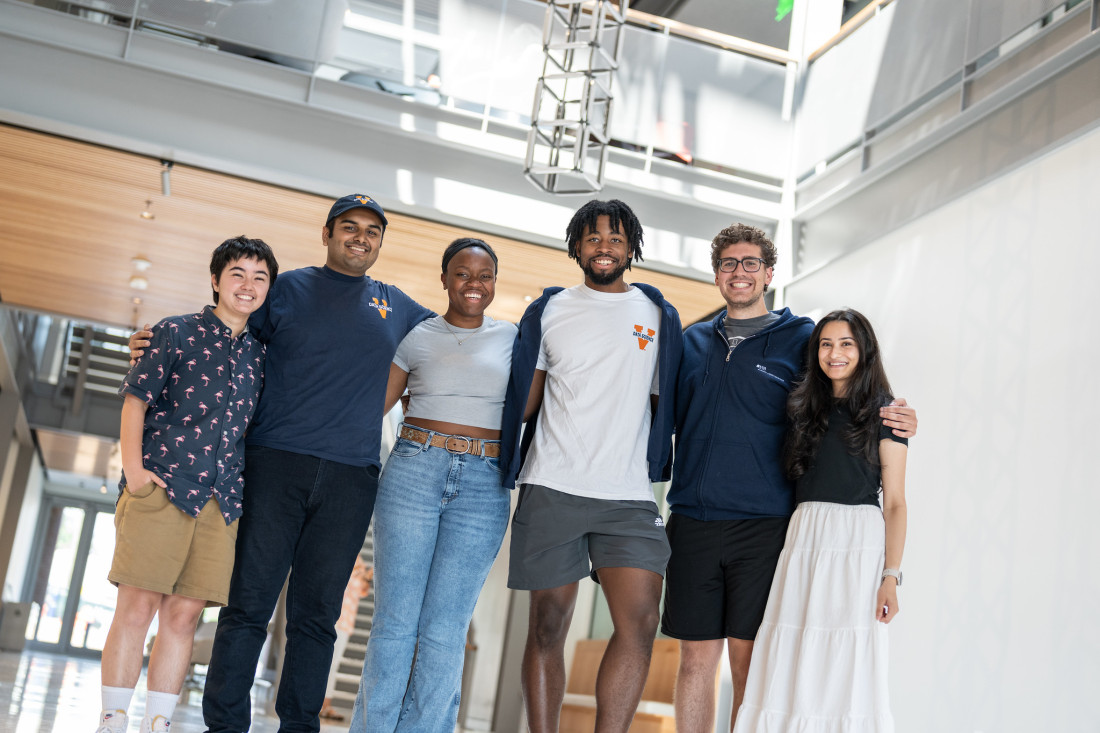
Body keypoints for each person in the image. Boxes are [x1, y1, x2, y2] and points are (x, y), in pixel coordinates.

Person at [128, 194, 433, 733]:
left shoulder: (397, 305)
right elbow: (230, 325)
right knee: (247, 606)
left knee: (317, 618)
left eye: (371, 231)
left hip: (350, 477)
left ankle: (299, 726)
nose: (360, 237)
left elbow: (451, 340)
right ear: (327, 234)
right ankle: (225, 725)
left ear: (380, 241)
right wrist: (155, 343)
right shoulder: (287, 287)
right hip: (273, 464)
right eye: (349, 227)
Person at [661, 224, 916, 732]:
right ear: (716, 274)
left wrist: (899, 418)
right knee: (694, 662)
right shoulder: (690, 342)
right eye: (730, 263)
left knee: (750, 665)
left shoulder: (801, 337)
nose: (740, 272)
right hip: (693, 518)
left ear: (769, 273)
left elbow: (846, 380)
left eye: (751, 263)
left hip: (765, 526)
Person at [500, 199, 683, 733]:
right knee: (549, 625)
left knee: (641, 620)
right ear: (577, 244)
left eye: (616, 238)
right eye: (594, 237)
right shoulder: (550, 310)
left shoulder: (657, 316)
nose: (605, 247)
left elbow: (663, 403)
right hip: (553, 484)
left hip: (626, 494)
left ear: (632, 248)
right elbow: (523, 400)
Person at [97, 236, 277, 733]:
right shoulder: (175, 333)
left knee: (183, 618)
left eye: (260, 277)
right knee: (136, 609)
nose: (248, 285)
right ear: (216, 280)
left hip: (221, 503)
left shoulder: (264, 357)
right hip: (162, 489)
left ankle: (158, 723)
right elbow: (135, 401)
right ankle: (112, 722)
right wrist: (135, 477)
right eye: (237, 273)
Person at [351, 238, 516, 733]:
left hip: (484, 484)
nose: (473, 284)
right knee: (396, 623)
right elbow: (369, 409)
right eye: (462, 274)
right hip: (414, 470)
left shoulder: (513, 338)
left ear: (494, 284)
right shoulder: (416, 336)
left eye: (484, 275)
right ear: (444, 279)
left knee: (446, 629)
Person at [732, 308, 908, 732]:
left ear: (864, 350)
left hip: (857, 542)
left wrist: (891, 575)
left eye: (846, 343)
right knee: (793, 648)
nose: (835, 353)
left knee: (845, 655)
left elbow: (897, 502)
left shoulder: (887, 413)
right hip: (804, 536)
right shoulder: (803, 407)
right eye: (826, 344)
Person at [319, 556, 372, 722]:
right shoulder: (346, 556)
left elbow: (361, 590)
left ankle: (325, 705)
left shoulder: (360, 562)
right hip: (334, 617)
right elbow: (349, 584)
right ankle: (321, 704)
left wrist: (366, 578)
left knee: (333, 664)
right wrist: (364, 576)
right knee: (324, 662)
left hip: (345, 621)